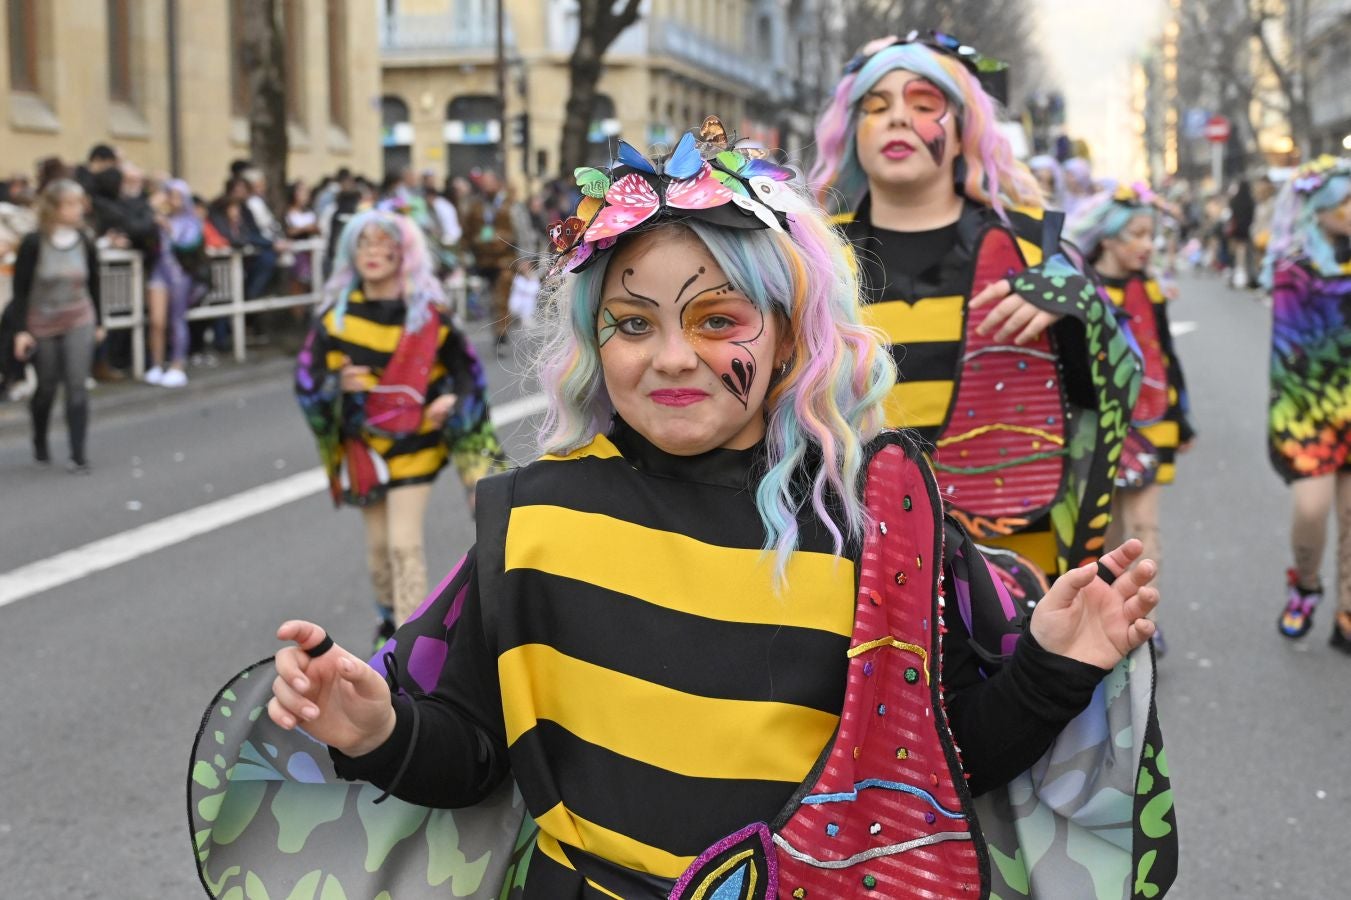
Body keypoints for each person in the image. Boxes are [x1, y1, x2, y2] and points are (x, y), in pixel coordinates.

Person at [189, 127, 1176, 900]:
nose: (669, 357)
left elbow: (942, 763)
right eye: (632, 322)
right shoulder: (534, 516)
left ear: (789, 338)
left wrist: (1051, 667)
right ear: (591, 340)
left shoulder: (876, 524)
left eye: (716, 321)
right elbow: (473, 760)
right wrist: (379, 731)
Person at [810, 32, 1141, 587]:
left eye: (923, 105)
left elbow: (1114, 394)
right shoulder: (809, 256)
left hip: (1014, 552)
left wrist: (1082, 313)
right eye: (876, 106)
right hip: (854, 551)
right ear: (852, 133)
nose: (897, 119)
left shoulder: (1037, 252)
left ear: (964, 130)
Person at [295, 209, 509, 644]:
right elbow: (307, 380)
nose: (373, 253)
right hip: (365, 452)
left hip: (417, 447)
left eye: (382, 244)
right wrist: (337, 384)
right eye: (364, 244)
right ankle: (387, 626)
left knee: (403, 545)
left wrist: (450, 400)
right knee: (378, 553)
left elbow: (468, 374)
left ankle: (408, 649)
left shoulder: (427, 316)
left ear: (402, 252)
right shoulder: (336, 317)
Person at [1068, 184, 1196, 654]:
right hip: (1097, 427)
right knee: (1104, 530)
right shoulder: (1081, 291)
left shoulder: (1150, 288)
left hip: (1149, 422)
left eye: (1151, 236)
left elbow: (1166, 351)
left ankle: (1145, 620)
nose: (1147, 245)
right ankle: (1102, 615)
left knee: (1144, 527)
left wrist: (1183, 417)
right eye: (1137, 235)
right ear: (1108, 239)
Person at [1260, 155, 1351, 652]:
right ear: (1320, 208)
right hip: (1311, 406)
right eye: (1346, 201)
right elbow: (1293, 347)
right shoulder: (1295, 270)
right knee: (1312, 509)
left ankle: (1347, 612)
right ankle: (1307, 583)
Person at [5, 179, 101, 471]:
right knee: (46, 386)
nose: (78, 210)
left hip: (79, 317)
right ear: (54, 208)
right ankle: (40, 439)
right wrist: (21, 330)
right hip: (42, 320)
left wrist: (101, 323)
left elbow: (94, 283)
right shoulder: (34, 243)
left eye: (79, 203)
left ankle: (78, 452)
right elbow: (20, 290)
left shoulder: (85, 240)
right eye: (71, 204)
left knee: (76, 383)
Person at [144, 178, 206, 387]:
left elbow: (188, 244)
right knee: (157, 321)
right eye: (170, 196)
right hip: (159, 272)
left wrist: (169, 228)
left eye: (178, 196)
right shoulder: (158, 218)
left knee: (177, 319)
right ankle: (156, 363)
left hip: (180, 273)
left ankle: (177, 363)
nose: (173, 200)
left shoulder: (191, 221)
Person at [461, 170, 518, 354]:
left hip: (505, 260)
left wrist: (526, 259)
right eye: (483, 182)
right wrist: (464, 255)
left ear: (498, 183)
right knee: (490, 300)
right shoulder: (475, 206)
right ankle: (499, 328)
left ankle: (501, 334)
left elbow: (522, 231)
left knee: (501, 296)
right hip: (482, 261)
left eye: (489, 181)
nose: (486, 185)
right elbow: (466, 233)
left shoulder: (510, 205)